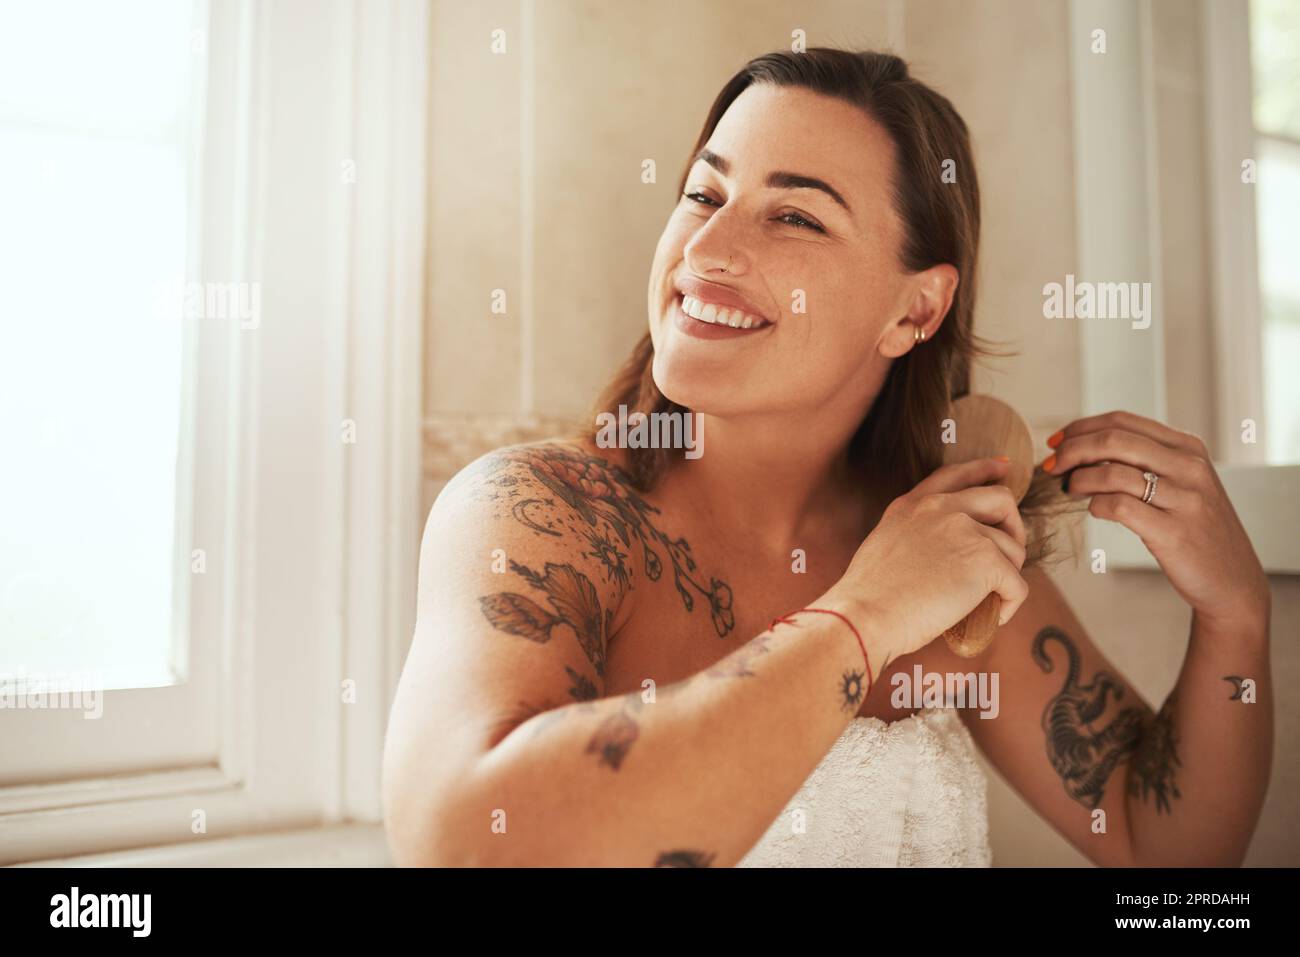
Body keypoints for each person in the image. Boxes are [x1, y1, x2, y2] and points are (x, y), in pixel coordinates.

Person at [382, 48, 1272, 867]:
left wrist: (1235, 613)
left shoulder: (957, 555)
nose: (707, 249)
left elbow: (1169, 854)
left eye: (795, 216)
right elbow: (464, 839)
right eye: (703, 194)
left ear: (915, 311)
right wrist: (866, 615)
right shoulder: (542, 518)